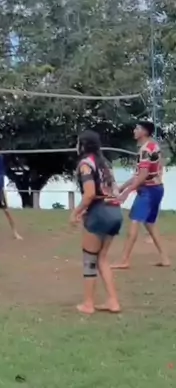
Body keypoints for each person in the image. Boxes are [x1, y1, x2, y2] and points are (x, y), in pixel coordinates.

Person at [70, 130, 122, 315]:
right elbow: (113, 190)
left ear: (83, 145)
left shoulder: (85, 164)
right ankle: (113, 301)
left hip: (100, 213)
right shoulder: (104, 163)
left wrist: (76, 212)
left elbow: (90, 193)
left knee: (89, 260)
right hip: (115, 212)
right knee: (102, 258)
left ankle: (88, 304)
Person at [112, 121, 170, 269]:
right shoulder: (153, 146)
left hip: (148, 191)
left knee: (134, 221)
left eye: (137, 128)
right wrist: (123, 187)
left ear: (144, 132)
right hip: (157, 189)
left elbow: (142, 176)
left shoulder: (145, 150)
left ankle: (124, 260)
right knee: (150, 224)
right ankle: (164, 258)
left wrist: (126, 192)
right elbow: (140, 175)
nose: (134, 131)